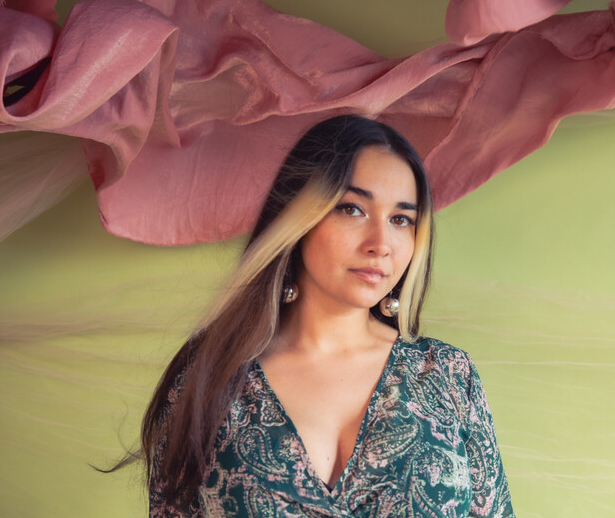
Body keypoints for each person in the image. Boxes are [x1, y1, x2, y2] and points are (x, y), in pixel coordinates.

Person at [143, 115, 515, 517]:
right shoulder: (209, 379)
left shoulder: (447, 377)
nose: (381, 244)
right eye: (352, 209)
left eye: (401, 219)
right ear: (297, 216)